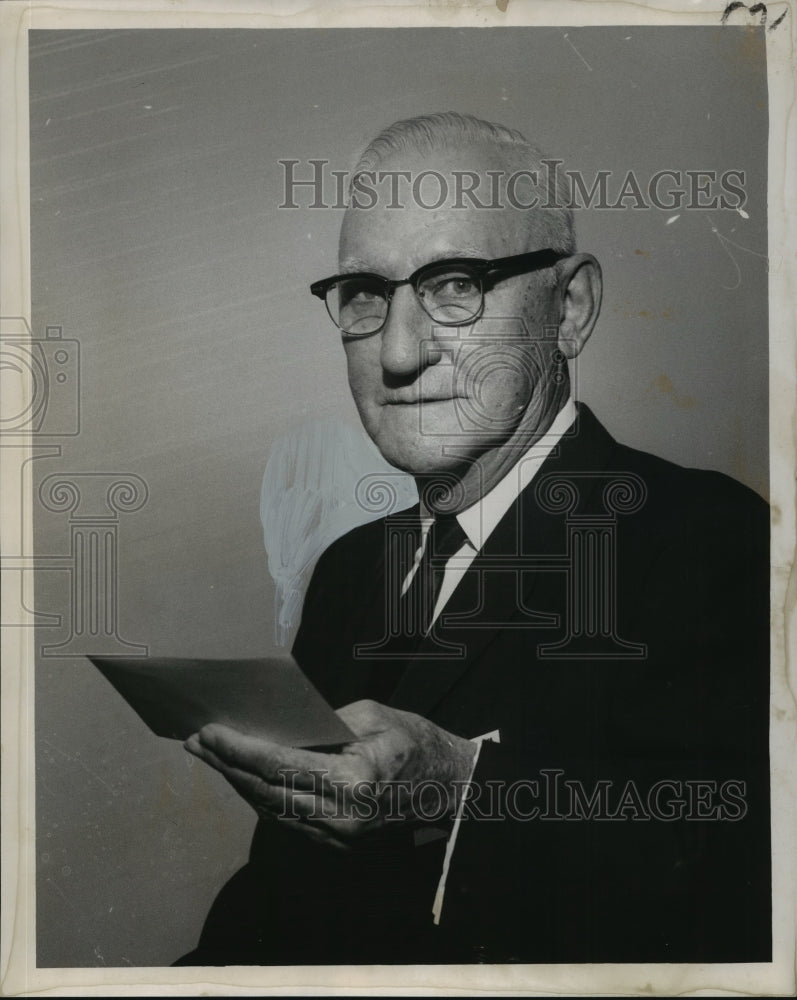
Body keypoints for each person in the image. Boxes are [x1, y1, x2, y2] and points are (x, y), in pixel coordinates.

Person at [178, 112, 770, 965]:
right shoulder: (351, 570)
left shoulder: (711, 541)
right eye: (366, 296)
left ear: (570, 308)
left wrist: (459, 792)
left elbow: (742, 894)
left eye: (454, 284)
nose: (397, 351)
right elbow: (284, 911)